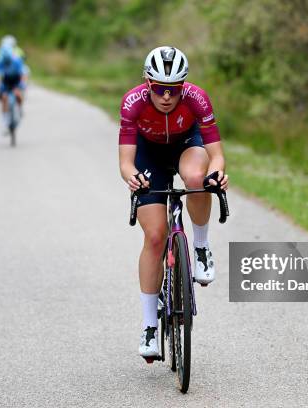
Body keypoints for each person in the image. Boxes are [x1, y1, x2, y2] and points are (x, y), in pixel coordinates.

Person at [118, 46, 228, 358]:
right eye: (159, 89)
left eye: (174, 89)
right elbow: (126, 163)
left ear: (183, 86)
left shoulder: (197, 98)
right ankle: (150, 326)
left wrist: (216, 175)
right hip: (148, 153)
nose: (166, 97)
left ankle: (202, 247)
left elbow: (216, 154)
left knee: (196, 178)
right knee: (155, 236)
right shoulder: (132, 103)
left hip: (186, 144)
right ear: (146, 83)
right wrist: (134, 177)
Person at [0, 45, 27, 131]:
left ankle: (20, 109)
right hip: (6, 81)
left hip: (16, 79)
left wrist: (21, 85)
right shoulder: (0, 62)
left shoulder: (17, 61)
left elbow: (22, 74)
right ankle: (5, 121)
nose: (7, 64)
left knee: (18, 94)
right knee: (4, 97)